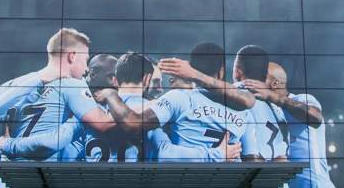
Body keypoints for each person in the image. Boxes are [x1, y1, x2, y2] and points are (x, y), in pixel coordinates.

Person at [0, 28, 119, 188]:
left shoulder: (21, 81)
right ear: (72, 56)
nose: (87, 68)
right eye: (85, 59)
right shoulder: (71, 86)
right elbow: (100, 123)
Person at [96, 42, 251, 161]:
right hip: (228, 183)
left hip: (186, 184)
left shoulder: (178, 98)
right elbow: (253, 157)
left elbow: (163, 153)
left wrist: (110, 94)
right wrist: (218, 154)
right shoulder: (244, 106)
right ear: (222, 70)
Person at [243, 62, 337, 188]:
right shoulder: (265, 111)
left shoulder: (302, 99)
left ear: (274, 84)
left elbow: (315, 118)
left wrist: (272, 96)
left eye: (259, 76)